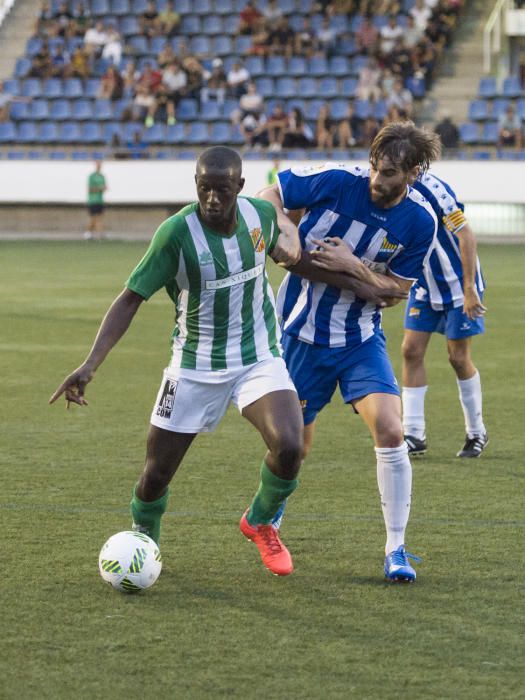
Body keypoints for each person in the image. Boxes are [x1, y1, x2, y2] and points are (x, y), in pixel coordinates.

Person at [50, 147, 304, 578]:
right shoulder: (175, 234)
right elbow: (130, 298)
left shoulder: (260, 216)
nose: (211, 200)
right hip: (193, 366)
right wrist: (90, 365)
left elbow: (288, 243)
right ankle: (143, 541)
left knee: (290, 446)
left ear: (239, 188)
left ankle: (259, 520)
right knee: (155, 475)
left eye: (222, 190)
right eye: (204, 189)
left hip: (258, 357)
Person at [257, 121, 441, 582]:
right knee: (293, 449)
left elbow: (394, 292)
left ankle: (396, 549)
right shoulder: (338, 181)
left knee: (391, 430)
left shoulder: (420, 221)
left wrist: (352, 266)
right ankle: (270, 514)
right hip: (300, 336)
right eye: (377, 169)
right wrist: (285, 230)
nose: (379, 181)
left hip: (360, 339)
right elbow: (268, 193)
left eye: (391, 174)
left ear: (414, 173)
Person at [401, 172, 488, 458]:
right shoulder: (385, 189)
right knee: (410, 351)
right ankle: (413, 433)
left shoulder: (433, 189)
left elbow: (465, 234)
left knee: (458, 357)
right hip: (423, 285)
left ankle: (476, 432)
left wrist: (469, 287)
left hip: (457, 285)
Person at [84, 160, 107, 240]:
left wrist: (104, 188)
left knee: (99, 217)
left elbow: (104, 187)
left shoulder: (102, 176)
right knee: (94, 218)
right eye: (98, 165)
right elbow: (89, 189)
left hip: (100, 200)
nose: (99, 166)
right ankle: (100, 234)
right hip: (93, 200)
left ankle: (89, 233)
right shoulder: (92, 176)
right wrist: (99, 188)